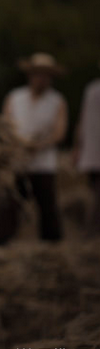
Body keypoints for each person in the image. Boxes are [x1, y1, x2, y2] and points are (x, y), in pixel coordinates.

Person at [0, 53, 67, 245]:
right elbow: (6, 125)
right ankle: (2, 243)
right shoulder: (15, 97)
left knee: (47, 205)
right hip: (18, 161)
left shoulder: (57, 101)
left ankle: (52, 244)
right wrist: (18, 144)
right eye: (37, 74)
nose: (41, 79)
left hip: (43, 163)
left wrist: (39, 145)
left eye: (45, 75)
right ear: (30, 75)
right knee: (9, 204)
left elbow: (59, 133)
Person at [73, 64, 100, 236]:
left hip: (92, 153)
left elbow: (81, 121)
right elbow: (83, 121)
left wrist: (78, 147)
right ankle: (92, 233)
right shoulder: (92, 90)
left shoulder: (92, 89)